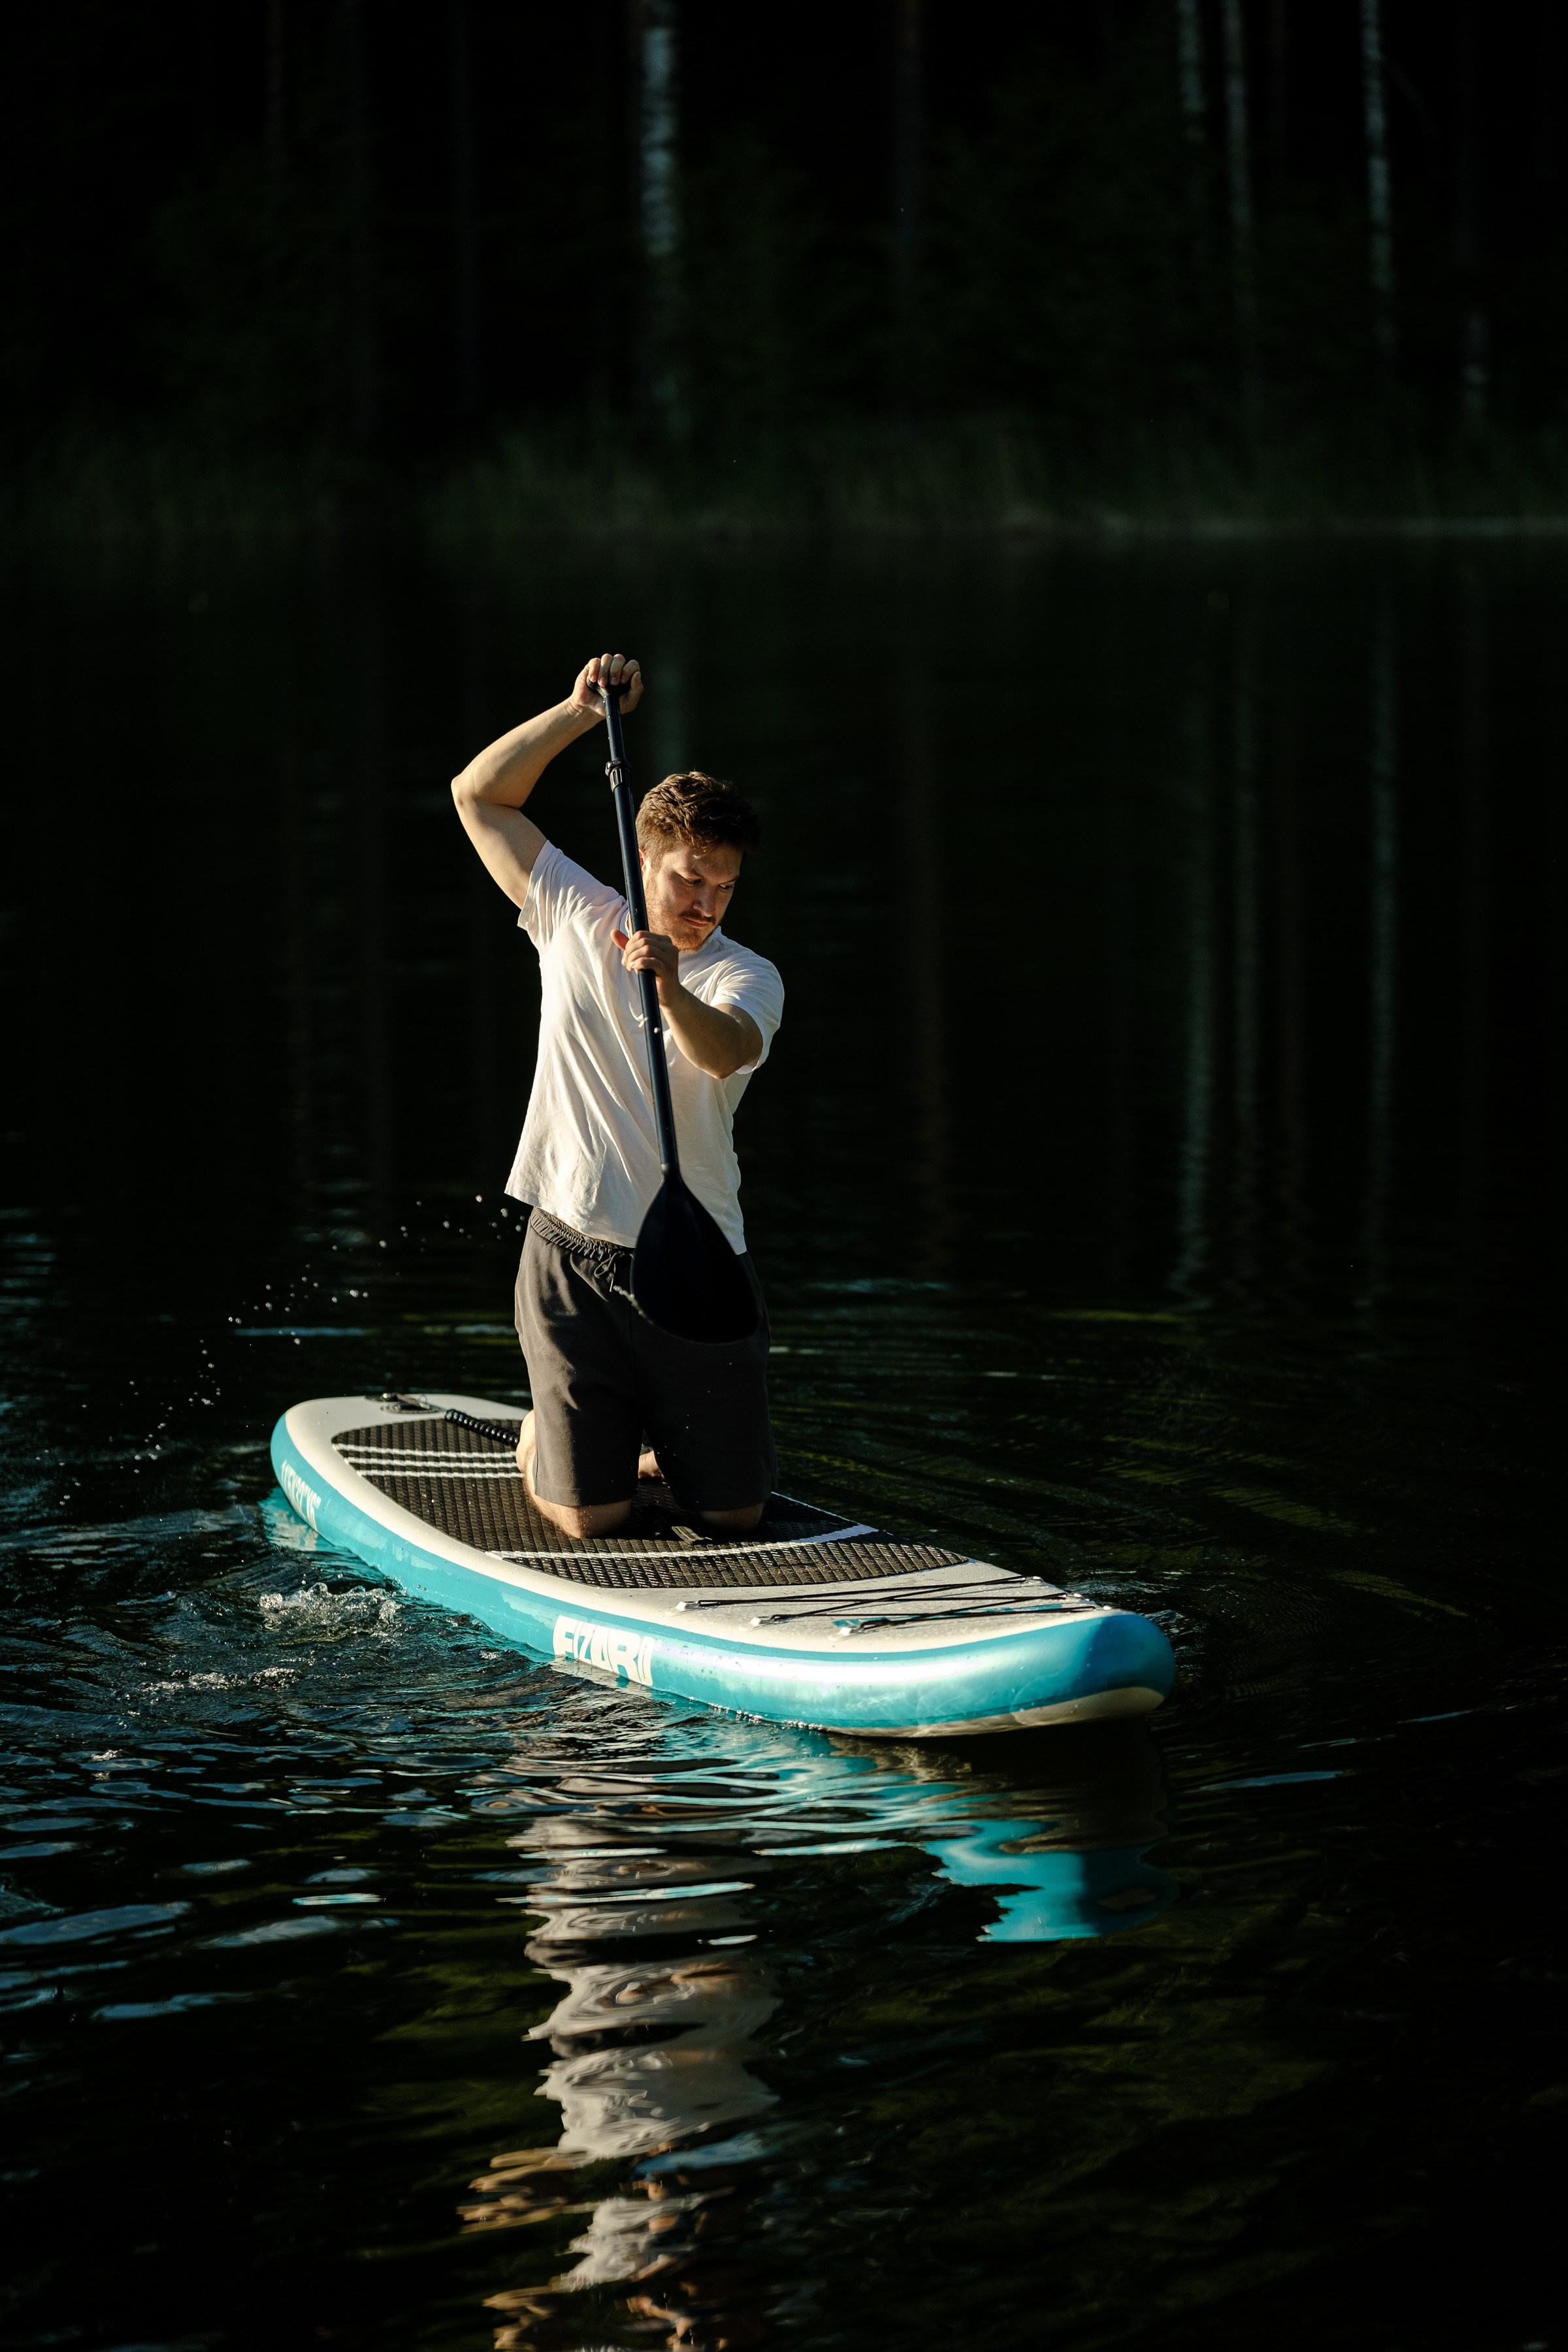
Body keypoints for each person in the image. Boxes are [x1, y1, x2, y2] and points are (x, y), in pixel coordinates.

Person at [451, 652, 783, 1541]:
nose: (706, 903)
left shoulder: (747, 976)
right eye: (689, 878)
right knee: (591, 1520)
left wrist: (671, 987)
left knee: (736, 1516)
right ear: (644, 860)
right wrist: (579, 714)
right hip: (571, 1253)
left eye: (724, 886)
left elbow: (726, 1052)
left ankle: (650, 1443)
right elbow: (478, 797)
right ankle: (546, 1443)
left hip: (697, 1263)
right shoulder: (571, 908)